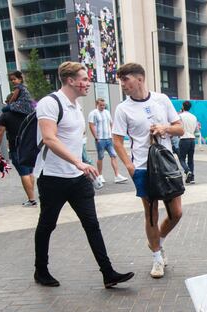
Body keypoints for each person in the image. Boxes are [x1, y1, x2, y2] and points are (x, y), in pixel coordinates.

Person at [32, 61, 133, 289]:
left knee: (92, 224)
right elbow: (49, 138)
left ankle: (108, 273)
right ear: (70, 80)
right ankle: (41, 270)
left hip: (77, 178)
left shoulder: (77, 107)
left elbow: (75, 142)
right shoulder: (50, 103)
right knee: (47, 224)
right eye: (85, 79)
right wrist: (79, 162)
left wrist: (83, 165)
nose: (88, 83)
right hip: (53, 177)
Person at [112, 62, 184, 280]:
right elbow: (117, 140)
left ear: (140, 79)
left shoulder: (161, 100)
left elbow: (180, 127)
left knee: (176, 213)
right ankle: (156, 257)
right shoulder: (123, 108)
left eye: (126, 79)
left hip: (166, 165)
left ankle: (158, 240)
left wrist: (165, 128)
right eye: (121, 80)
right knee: (150, 213)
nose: (123, 84)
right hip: (143, 167)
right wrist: (130, 166)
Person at [0, 109, 38, 207]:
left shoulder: (5, 116)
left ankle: (31, 199)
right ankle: (32, 196)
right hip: (30, 146)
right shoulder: (28, 112)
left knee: (24, 173)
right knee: (30, 172)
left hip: (16, 147)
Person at [87, 98, 128, 186]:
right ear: (97, 105)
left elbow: (111, 124)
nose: (102, 106)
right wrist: (96, 137)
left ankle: (117, 175)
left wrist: (113, 135)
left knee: (113, 155)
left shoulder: (107, 112)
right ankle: (100, 175)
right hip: (100, 139)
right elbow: (91, 125)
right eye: (101, 105)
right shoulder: (93, 113)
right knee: (100, 157)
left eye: (103, 105)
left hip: (108, 138)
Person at [178, 100, 198, 184]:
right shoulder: (194, 117)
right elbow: (196, 129)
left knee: (181, 158)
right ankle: (192, 177)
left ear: (183, 106)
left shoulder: (180, 116)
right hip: (192, 139)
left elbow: (178, 126)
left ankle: (187, 171)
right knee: (190, 159)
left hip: (183, 138)